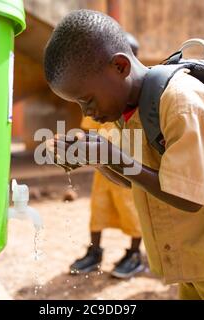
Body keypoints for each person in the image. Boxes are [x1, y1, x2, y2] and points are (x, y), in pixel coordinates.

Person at [44, 9, 204, 299]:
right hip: (195, 261)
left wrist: (112, 156)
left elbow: (187, 195)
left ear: (120, 66)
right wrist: (94, 154)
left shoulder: (182, 104)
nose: (87, 112)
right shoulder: (128, 112)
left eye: (88, 100)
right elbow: (135, 178)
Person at [70, 34, 144, 279]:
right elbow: (86, 132)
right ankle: (95, 252)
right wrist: (73, 146)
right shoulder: (98, 96)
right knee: (98, 211)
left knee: (132, 212)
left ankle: (134, 255)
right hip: (102, 170)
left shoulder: (138, 101)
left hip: (128, 169)